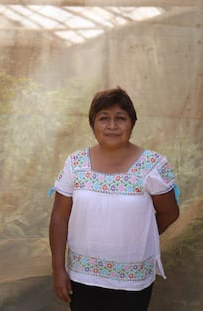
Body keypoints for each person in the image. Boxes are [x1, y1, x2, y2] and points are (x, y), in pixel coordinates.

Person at [49, 87, 179, 311]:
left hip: (132, 280)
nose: (112, 126)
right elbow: (60, 217)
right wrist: (59, 270)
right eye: (103, 118)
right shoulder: (76, 164)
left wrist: (139, 236)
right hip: (83, 277)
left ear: (132, 123)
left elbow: (170, 212)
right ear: (92, 125)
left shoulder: (152, 166)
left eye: (120, 118)